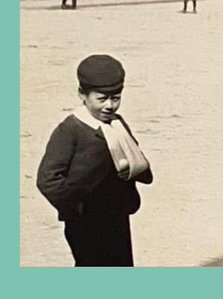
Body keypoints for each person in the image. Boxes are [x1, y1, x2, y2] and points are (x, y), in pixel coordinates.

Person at [36, 54, 153, 266]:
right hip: (85, 221)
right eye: (101, 99)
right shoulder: (71, 130)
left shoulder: (117, 124)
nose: (109, 105)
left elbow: (136, 156)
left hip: (117, 215)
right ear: (83, 95)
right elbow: (47, 178)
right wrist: (76, 208)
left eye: (116, 98)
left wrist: (136, 172)